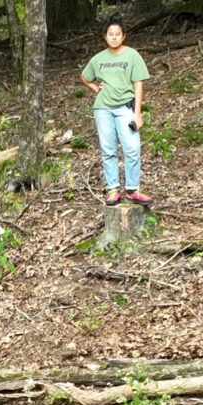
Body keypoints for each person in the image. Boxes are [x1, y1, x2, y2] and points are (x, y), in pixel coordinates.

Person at [78, 20, 151, 241]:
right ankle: (112, 189)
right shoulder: (98, 59)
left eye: (117, 34)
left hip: (124, 108)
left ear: (123, 36)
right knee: (108, 149)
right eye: (110, 34)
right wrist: (94, 88)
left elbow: (139, 84)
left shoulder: (132, 56)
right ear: (105, 36)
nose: (114, 37)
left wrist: (137, 113)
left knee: (131, 147)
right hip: (103, 108)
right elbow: (84, 76)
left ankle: (132, 189)